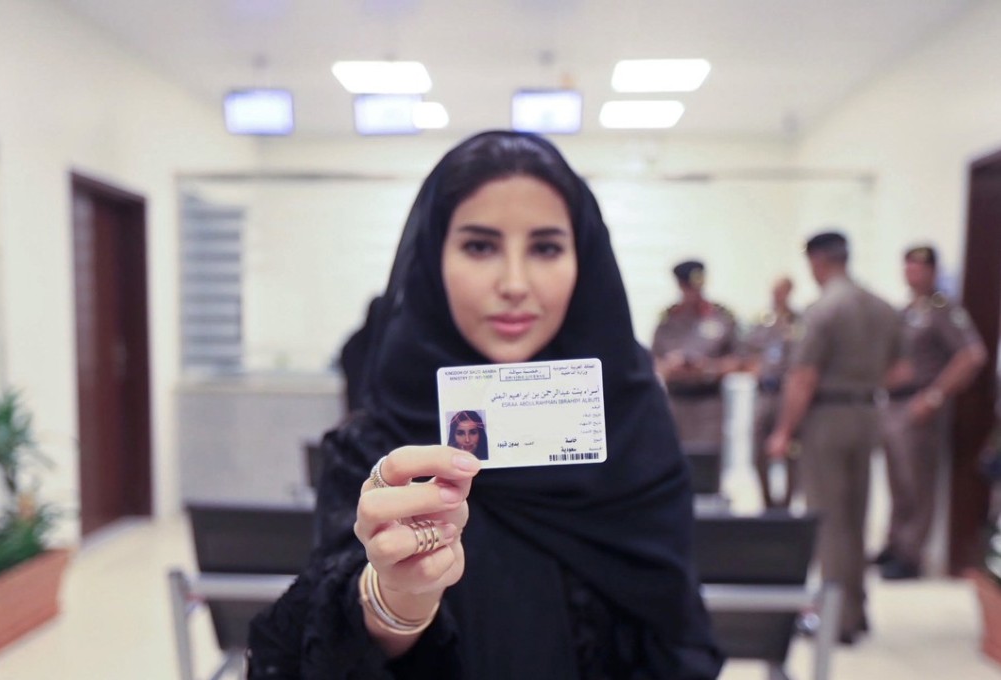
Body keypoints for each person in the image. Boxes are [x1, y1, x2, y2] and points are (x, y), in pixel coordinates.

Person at [247, 131, 723, 679]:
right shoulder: (379, 446)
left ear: (584, 258)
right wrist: (393, 599)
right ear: (433, 257)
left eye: (546, 248)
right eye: (479, 246)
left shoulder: (633, 425)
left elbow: (676, 628)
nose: (514, 283)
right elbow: (316, 649)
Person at [766, 231, 904, 645]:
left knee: (828, 520)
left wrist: (784, 430)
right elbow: (902, 370)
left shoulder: (823, 309)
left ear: (818, 260)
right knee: (856, 517)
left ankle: (836, 618)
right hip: (868, 413)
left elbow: (804, 376)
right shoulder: (882, 307)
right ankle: (856, 608)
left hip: (827, 417)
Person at [875, 245, 986, 580]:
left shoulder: (943, 309)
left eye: (919, 268)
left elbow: (972, 355)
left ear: (933, 272)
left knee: (917, 483)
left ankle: (911, 553)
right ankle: (894, 544)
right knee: (897, 480)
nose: (912, 274)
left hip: (919, 405)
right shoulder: (907, 310)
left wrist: (935, 395)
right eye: (908, 267)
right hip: (893, 403)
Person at [651, 260, 739, 450]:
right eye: (688, 287)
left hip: (709, 405)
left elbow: (740, 362)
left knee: (706, 459)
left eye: (697, 287)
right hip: (676, 403)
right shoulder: (668, 320)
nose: (694, 293)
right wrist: (671, 366)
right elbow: (654, 361)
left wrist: (707, 368)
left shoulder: (721, 318)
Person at [742, 276, 801, 509]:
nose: (778, 295)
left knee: (792, 449)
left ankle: (787, 502)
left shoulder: (799, 322)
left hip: (788, 393)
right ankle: (767, 501)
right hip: (765, 392)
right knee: (758, 446)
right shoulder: (761, 322)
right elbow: (745, 353)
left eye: (782, 291)